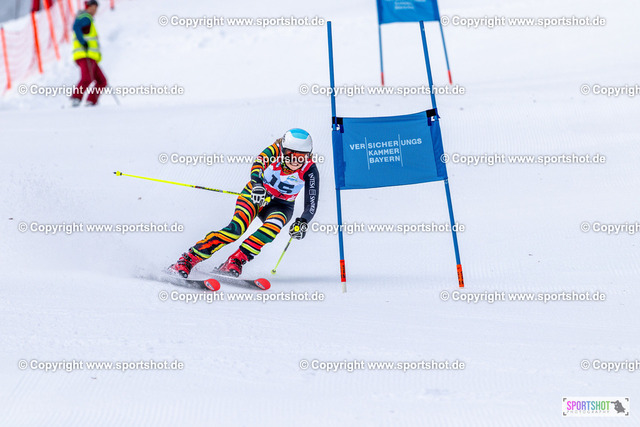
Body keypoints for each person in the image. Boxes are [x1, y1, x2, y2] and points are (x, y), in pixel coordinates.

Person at [169, 129, 320, 278]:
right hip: (255, 195)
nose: (295, 161)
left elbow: (311, 202)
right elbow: (257, 165)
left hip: (282, 205)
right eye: (290, 155)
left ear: (308, 155)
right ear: (282, 149)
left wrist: (303, 221)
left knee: (271, 229)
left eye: (301, 157)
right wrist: (257, 185)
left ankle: (235, 261)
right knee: (236, 229)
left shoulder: (310, 169)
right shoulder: (274, 151)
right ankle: (188, 259)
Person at [70, 0, 106, 107]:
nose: (94, 10)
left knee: (101, 81)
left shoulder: (89, 19)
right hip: (85, 55)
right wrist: (83, 42)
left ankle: (91, 101)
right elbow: (76, 27)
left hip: (91, 57)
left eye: (96, 8)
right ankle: (76, 98)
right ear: (87, 7)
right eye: (92, 7)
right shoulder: (85, 17)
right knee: (87, 78)